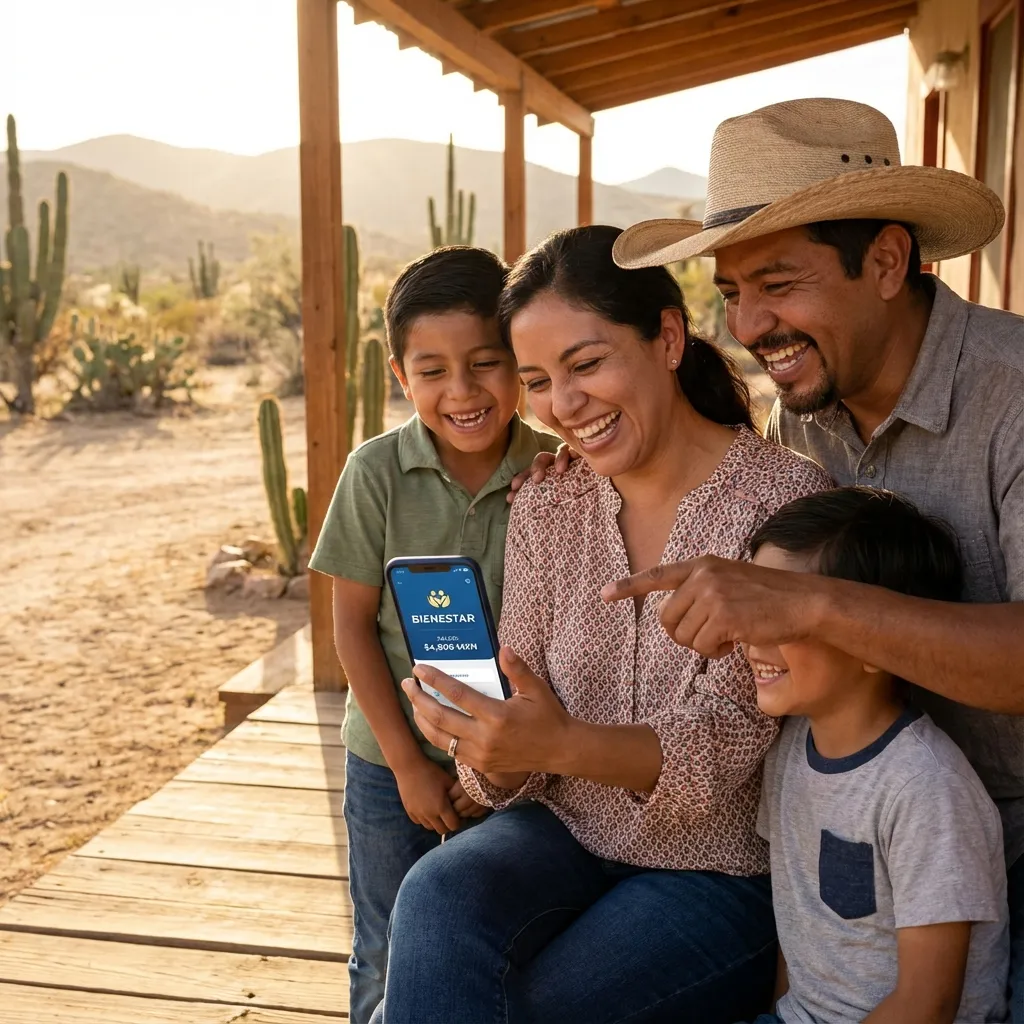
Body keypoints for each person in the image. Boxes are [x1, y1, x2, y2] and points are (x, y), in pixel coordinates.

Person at [600, 97, 1024, 1019]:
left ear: (887, 261)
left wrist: (809, 606)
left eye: (779, 282)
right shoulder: (803, 415)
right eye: (730, 292)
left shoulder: (1016, 395)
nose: (749, 325)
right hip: (837, 836)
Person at [370, 225, 831, 1024]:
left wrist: (553, 744)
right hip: (562, 831)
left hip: (717, 869)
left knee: (529, 1008)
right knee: (437, 889)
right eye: (537, 381)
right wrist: (485, 745)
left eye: (585, 365)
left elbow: (724, 742)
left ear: (668, 338)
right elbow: (519, 714)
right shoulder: (548, 501)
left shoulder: (783, 506)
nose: (563, 405)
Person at [307, 245, 561, 1022]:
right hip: (389, 760)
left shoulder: (558, 471)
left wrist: (501, 768)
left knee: (491, 940)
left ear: (518, 360)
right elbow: (352, 627)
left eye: (486, 363)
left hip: (517, 763)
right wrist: (407, 767)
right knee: (385, 943)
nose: (462, 392)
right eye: (432, 371)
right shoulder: (374, 472)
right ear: (399, 374)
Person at [741, 487, 1008, 1024]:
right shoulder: (788, 749)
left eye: (780, 615)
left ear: (875, 643)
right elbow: (799, 938)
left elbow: (927, 1005)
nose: (750, 634)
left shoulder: (927, 789)